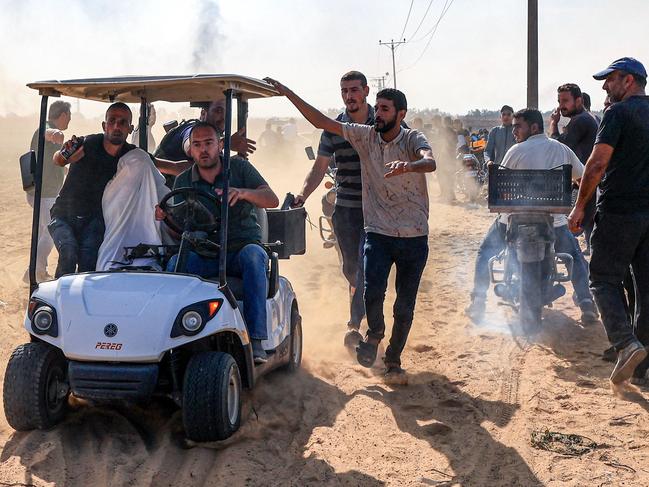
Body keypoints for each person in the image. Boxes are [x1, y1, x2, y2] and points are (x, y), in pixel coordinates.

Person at [265, 77, 435, 382]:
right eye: (344, 91)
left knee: (404, 302)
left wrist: (409, 166)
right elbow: (320, 136)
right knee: (364, 281)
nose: (349, 96)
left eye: (385, 109)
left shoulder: (403, 135)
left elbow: (429, 159)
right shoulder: (362, 134)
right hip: (367, 221)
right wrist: (289, 93)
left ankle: (390, 355)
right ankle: (370, 333)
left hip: (411, 231)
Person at [158, 122, 279, 363]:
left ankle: (255, 340)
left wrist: (243, 193)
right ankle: (173, 340)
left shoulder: (240, 168)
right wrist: (165, 217)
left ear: (220, 145)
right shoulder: (183, 181)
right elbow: (180, 226)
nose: (203, 150)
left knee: (254, 257)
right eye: (197, 145)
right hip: (206, 255)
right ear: (190, 150)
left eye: (209, 143)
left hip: (240, 250)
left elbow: (271, 199)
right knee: (173, 265)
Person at [466, 108, 599, 324]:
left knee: (485, 252)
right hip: (553, 222)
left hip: (513, 221)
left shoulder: (516, 151)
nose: (514, 131)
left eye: (518, 126)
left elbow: (501, 184)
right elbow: (583, 176)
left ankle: (478, 302)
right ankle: (586, 303)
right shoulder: (561, 149)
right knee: (574, 255)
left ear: (534, 127)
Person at [569, 57, 649, 385]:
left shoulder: (617, 113)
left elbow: (597, 162)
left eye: (610, 79)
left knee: (602, 279)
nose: (604, 86)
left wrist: (579, 208)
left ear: (628, 80)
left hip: (619, 212)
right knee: (645, 290)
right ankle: (642, 369)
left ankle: (625, 343)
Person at [292, 70, 374, 347]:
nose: (349, 96)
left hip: (377, 210)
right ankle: (361, 309)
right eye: (344, 91)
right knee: (350, 268)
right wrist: (303, 194)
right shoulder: (333, 128)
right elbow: (320, 167)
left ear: (366, 91)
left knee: (366, 266)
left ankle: (356, 324)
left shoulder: (383, 121)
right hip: (345, 209)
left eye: (354, 90)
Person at [49, 102, 136, 277]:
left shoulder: (131, 155)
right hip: (64, 215)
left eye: (122, 122)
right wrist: (66, 156)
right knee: (68, 251)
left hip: (94, 221)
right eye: (112, 121)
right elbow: (58, 158)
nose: (116, 126)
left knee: (89, 264)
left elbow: (159, 165)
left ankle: (83, 301)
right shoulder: (86, 143)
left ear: (130, 128)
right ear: (104, 126)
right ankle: (58, 299)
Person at [96, 148, 171, 271]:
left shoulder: (160, 194)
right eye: (128, 170)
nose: (131, 175)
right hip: (113, 258)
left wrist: (165, 214)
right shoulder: (112, 192)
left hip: (149, 258)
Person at [24, 100, 71, 282]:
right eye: (69, 117)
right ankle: (35, 272)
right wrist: (57, 134)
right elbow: (48, 133)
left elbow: (53, 163)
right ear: (63, 115)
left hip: (44, 192)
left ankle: (34, 271)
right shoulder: (45, 127)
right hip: (44, 194)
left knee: (46, 232)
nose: (69, 121)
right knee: (50, 233)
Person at [549, 83, 599, 254]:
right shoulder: (583, 119)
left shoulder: (580, 121)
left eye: (565, 101)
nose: (561, 105)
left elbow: (558, 147)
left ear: (578, 101)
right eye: (559, 101)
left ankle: (579, 275)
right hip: (584, 181)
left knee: (568, 232)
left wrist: (553, 125)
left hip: (585, 183)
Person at [154, 99, 255, 162]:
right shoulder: (190, 129)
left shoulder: (216, 142)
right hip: (166, 194)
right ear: (203, 114)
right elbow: (190, 148)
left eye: (227, 112)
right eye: (218, 111)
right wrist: (226, 143)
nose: (224, 117)